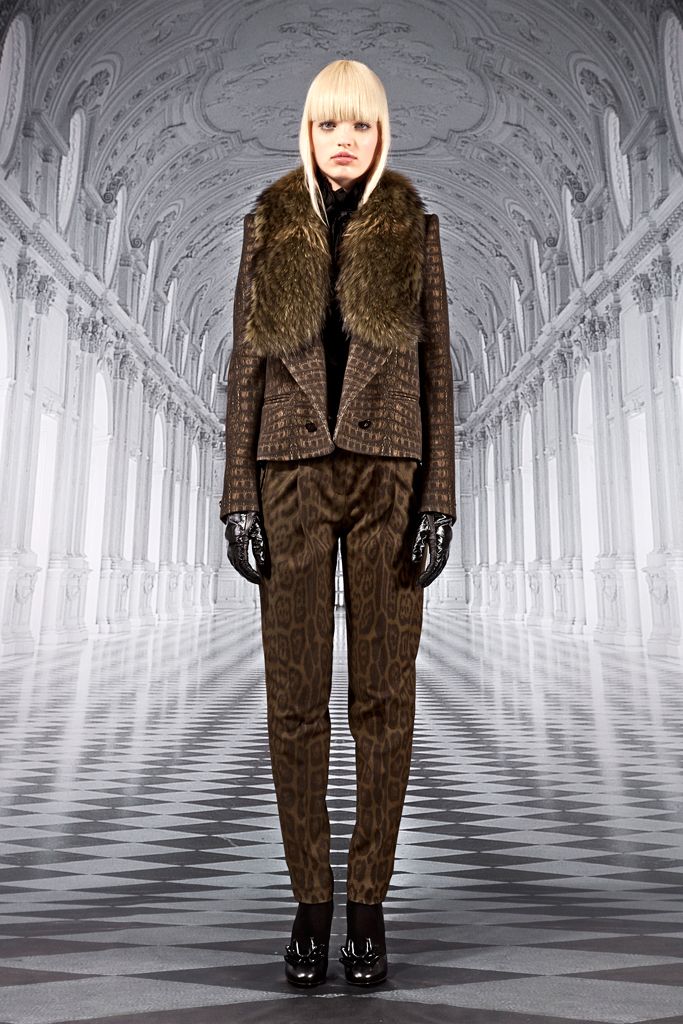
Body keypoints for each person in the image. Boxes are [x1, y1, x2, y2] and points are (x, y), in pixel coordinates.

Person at [220, 59, 456, 988]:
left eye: (359, 124)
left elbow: (438, 372)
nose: (344, 140)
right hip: (287, 475)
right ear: (308, 133)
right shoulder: (267, 226)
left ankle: (367, 905)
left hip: (387, 473)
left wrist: (439, 500)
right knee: (294, 701)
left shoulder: (414, 229)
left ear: (380, 132)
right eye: (328, 124)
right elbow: (243, 370)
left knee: (383, 699)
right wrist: (237, 498)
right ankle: (309, 901)